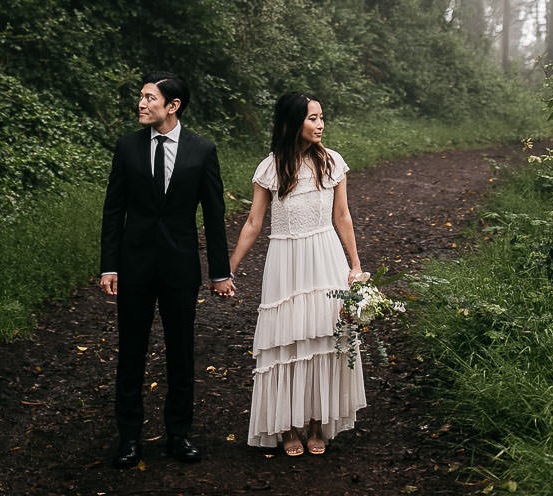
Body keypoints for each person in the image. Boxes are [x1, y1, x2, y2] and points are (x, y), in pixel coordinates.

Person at [99, 71, 235, 467]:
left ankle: (179, 434)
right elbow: (113, 210)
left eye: (149, 98)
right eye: (141, 97)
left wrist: (220, 272)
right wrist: (109, 266)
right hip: (134, 265)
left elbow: (214, 215)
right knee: (131, 352)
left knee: (181, 352)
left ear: (172, 106)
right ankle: (128, 438)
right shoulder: (127, 147)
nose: (141, 104)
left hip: (180, 267)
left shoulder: (202, 150)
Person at [227, 91, 368, 457]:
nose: (320, 125)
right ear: (293, 122)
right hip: (286, 261)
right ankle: (289, 427)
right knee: (288, 340)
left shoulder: (332, 162)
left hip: (325, 257)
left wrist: (355, 265)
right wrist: (228, 268)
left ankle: (318, 424)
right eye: (312, 118)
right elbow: (254, 223)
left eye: (321, 117)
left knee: (325, 338)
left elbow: (342, 216)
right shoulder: (270, 168)